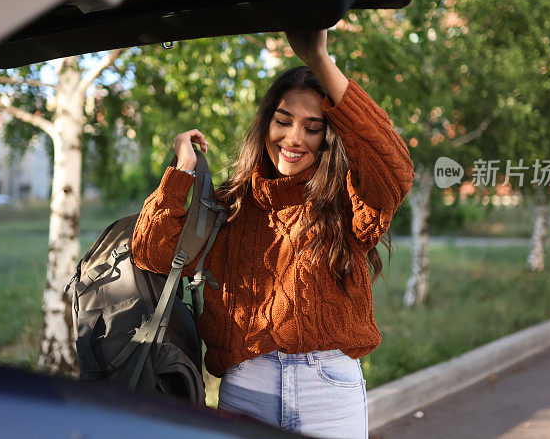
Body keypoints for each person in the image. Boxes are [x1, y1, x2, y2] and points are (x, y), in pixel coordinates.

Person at [132, 29, 414, 438]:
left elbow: (395, 166)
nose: (294, 138)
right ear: (265, 124)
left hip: (329, 392)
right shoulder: (228, 205)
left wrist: (320, 59)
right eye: (283, 121)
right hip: (248, 390)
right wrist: (181, 172)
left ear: (328, 136)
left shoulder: (348, 201)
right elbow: (150, 252)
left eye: (313, 127)